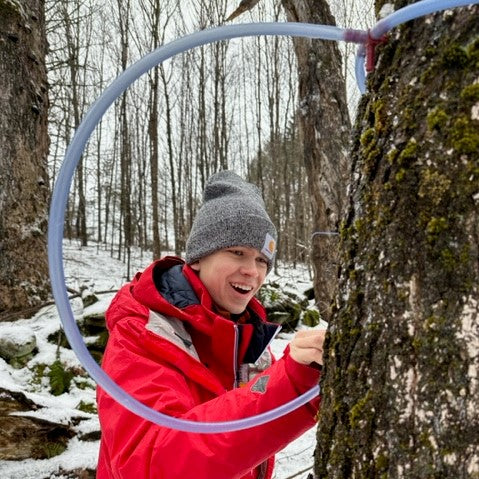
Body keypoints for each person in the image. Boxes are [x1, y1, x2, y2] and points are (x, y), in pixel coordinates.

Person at [96, 170, 326, 479]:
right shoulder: (143, 333)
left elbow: (249, 422)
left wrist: (300, 373)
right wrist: (291, 383)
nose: (252, 272)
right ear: (198, 258)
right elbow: (154, 462)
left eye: (261, 261)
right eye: (237, 252)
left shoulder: (248, 337)